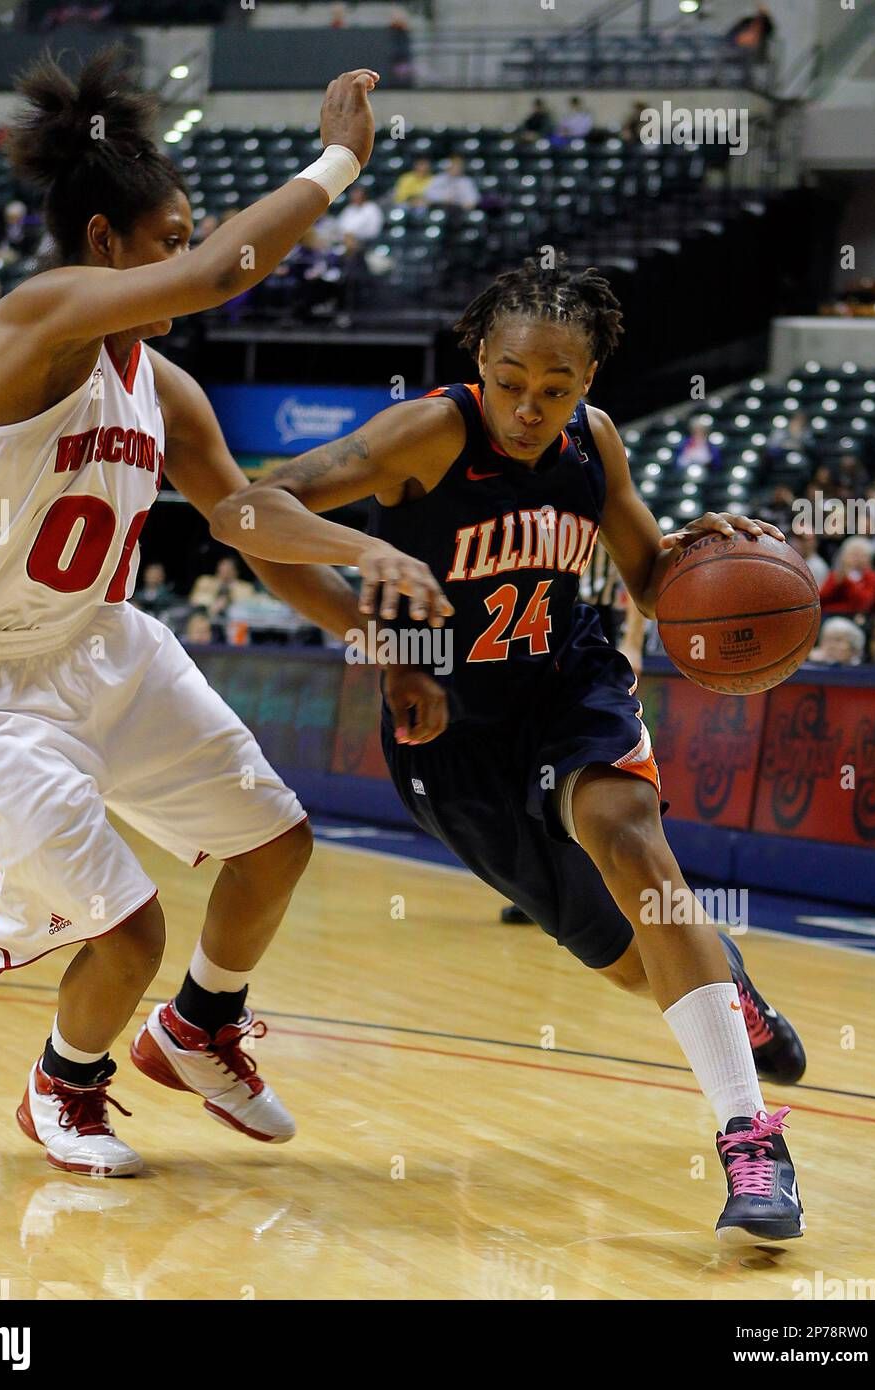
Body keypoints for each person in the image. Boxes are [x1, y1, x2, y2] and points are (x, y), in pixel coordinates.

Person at [0, 48, 452, 1178]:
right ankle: (63, 1086)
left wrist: (373, 618)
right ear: (104, 246)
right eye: (166, 237)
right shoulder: (33, 322)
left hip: (102, 643)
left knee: (277, 845)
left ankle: (197, 1029)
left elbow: (247, 519)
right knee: (129, 927)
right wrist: (340, 161)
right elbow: (209, 280)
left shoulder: (167, 390)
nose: (183, 259)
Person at [212, 256, 808, 1245]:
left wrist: (710, 553)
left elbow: (650, 579)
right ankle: (727, 985)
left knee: (632, 846)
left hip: (567, 687)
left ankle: (750, 1138)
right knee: (627, 964)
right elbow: (250, 516)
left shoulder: (593, 444)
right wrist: (378, 616)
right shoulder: (425, 436)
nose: (531, 408)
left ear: (586, 387)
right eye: (514, 383)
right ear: (479, 359)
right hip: (450, 734)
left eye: (557, 389)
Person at [820, 537, 875, 614]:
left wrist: (848, 580)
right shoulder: (837, 574)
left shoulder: (872, 577)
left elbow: (863, 603)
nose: (856, 559)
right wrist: (837, 582)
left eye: (861, 555)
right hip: (830, 614)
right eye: (853, 554)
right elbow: (822, 598)